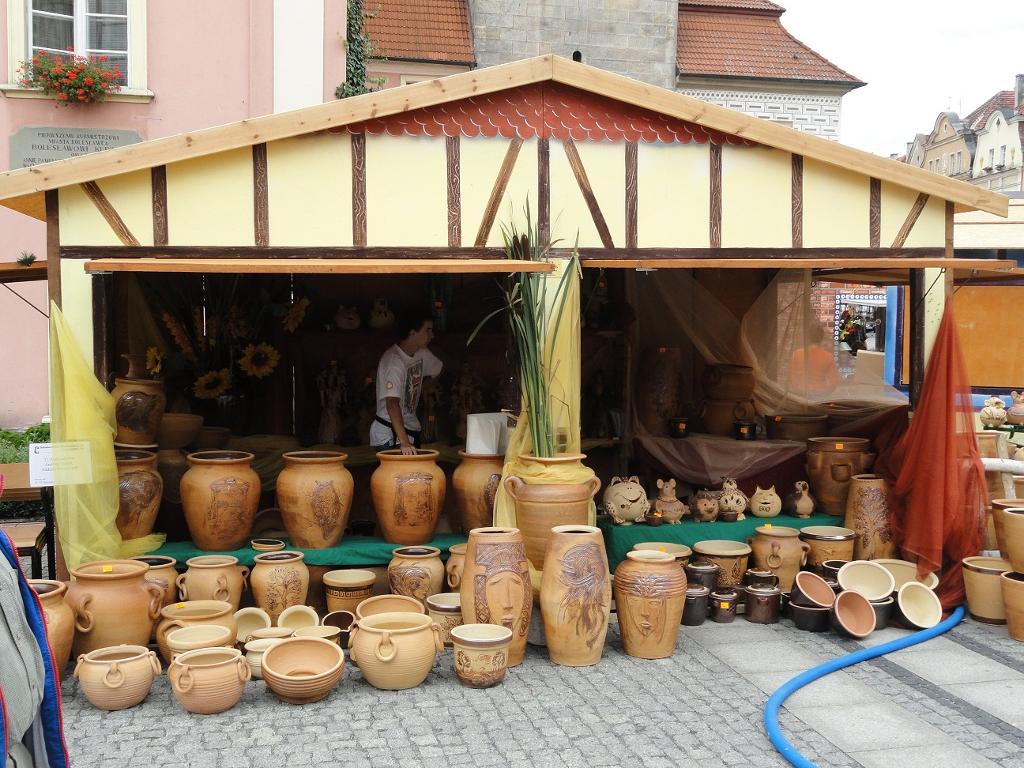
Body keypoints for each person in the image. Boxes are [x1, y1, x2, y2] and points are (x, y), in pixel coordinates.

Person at [369, 311, 443, 453]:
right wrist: (404, 442)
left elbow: (438, 369)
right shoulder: (393, 362)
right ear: (412, 333)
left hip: (410, 428)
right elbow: (392, 403)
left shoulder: (422, 353)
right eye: (427, 330)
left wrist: (420, 389)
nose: (432, 335)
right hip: (390, 434)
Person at [789, 323, 839, 398]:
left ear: (808, 337)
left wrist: (798, 390)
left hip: (800, 394)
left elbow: (791, 378)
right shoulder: (828, 357)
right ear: (822, 338)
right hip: (820, 394)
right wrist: (825, 393)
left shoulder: (796, 354)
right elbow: (833, 382)